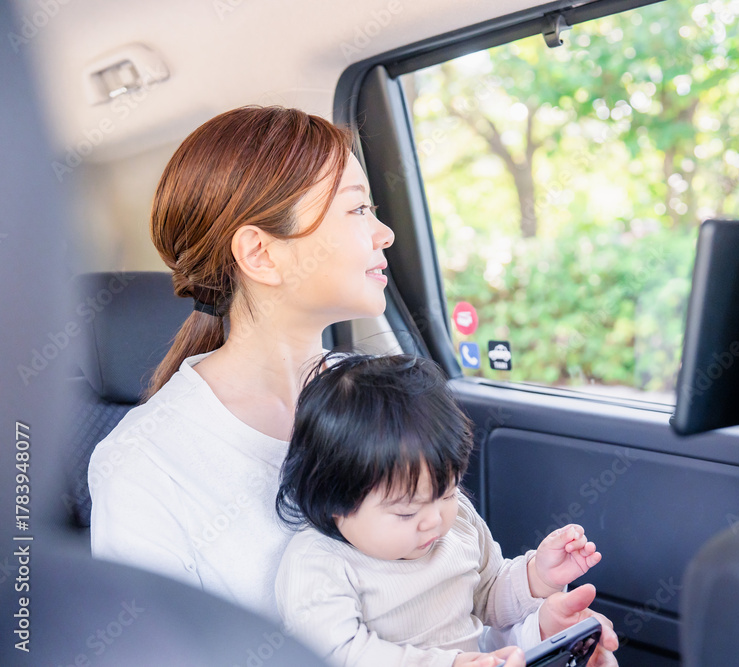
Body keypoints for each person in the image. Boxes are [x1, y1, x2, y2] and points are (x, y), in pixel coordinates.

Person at [87, 106, 618, 667]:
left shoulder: (381, 398)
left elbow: (451, 619)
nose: (384, 232)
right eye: (358, 208)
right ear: (260, 253)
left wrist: (537, 641)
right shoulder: (143, 464)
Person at [275, 354, 603, 667]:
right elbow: (339, 655)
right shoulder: (319, 564)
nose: (435, 519)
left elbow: (489, 593)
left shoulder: (458, 522)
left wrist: (538, 576)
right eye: (407, 512)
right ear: (334, 502)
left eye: (447, 493)